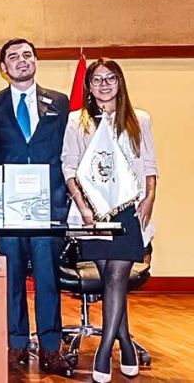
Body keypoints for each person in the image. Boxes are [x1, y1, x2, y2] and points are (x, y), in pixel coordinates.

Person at [61, 58, 157, 382]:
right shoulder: (77, 121)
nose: (104, 84)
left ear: (120, 82)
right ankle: (125, 343)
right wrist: (82, 206)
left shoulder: (139, 119)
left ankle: (104, 352)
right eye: (97, 79)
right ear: (88, 87)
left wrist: (150, 197)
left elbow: (149, 164)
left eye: (110, 78)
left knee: (116, 278)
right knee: (111, 280)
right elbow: (69, 166)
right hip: (93, 213)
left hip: (129, 210)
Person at [0, 38, 72, 375]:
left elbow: (68, 153)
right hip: (9, 210)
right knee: (12, 279)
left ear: (35, 61)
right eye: (13, 57)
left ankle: (50, 347)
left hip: (49, 207)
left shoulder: (59, 102)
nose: (21, 61)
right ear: (3, 68)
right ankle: (16, 343)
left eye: (27, 55)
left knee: (48, 279)